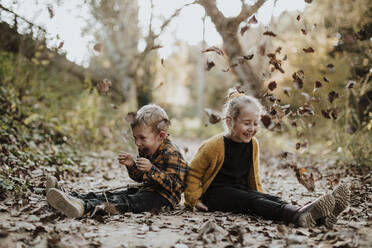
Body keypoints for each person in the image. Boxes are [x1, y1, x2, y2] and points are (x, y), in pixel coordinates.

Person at [184, 89, 350, 228]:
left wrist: (263, 197)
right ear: (229, 122)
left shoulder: (253, 144)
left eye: (256, 123)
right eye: (247, 123)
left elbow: (253, 177)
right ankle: (298, 215)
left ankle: (320, 216)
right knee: (253, 201)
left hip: (240, 190)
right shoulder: (213, 145)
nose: (252, 128)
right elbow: (193, 172)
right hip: (215, 195)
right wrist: (194, 201)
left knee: (270, 198)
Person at [46, 104, 188, 218]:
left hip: (163, 199)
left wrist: (152, 170)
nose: (138, 143)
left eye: (142, 138)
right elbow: (139, 178)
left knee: (127, 202)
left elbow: (176, 186)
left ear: (161, 136)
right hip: (146, 190)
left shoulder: (172, 153)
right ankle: (68, 197)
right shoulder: (146, 149)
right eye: (135, 138)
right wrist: (132, 166)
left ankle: (83, 206)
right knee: (113, 195)